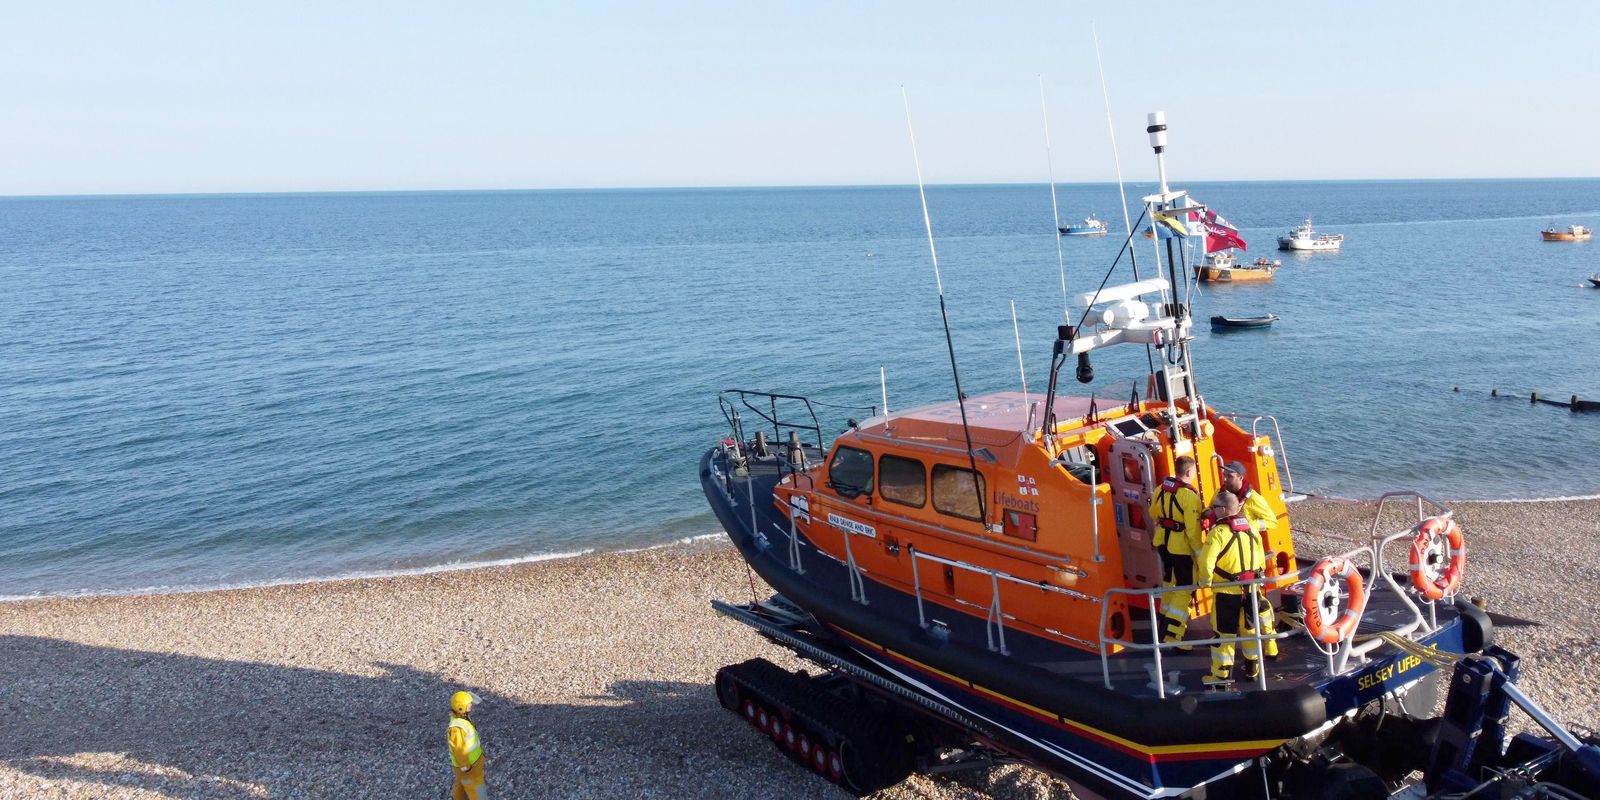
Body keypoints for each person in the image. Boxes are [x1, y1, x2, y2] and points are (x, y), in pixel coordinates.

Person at [1196, 491, 1267, 686]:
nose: (1212, 512)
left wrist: (1205, 582)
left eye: (1215, 508)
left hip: (1227, 592)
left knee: (1224, 635)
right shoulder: (1252, 529)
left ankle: (1220, 676)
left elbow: (1206, 561)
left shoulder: (1218, 532)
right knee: (1251, 630)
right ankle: (1253, 670)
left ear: (1223, 510)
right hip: (1252, 590)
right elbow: (1260, 559)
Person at [1216, 461, 1281, 659]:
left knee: (1259, 608)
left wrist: (1249, 523)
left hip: (1251, 561)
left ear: (1240, 478)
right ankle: (1252, 655)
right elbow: (1213, 510)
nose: (1226, 479)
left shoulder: (1254, 500)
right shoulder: (1223, 495)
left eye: (1230, 476)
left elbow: (1272, 521)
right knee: (1245, 613)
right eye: (1225, 475)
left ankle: (1270, 647)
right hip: (1231, 562)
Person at [1149, 455, 1203, 648]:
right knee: (1185, 587)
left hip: (1163, 543)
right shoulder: (1189, 496)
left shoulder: (1160, 489)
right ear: (1189, 472)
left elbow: (1153, 513)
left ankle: (1164, 624)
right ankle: (1173, 635)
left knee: (1169, 582)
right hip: (1181, 548)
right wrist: (1200, 555)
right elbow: (1193, 530)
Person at [448, 691, 488, 800]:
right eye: (470, 705)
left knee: (461, 782)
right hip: (469, 766)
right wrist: (465, 766)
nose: (472, 707)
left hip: (470, 764)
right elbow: (459, 750)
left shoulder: (461, 720)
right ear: (461, 708)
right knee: (475, 787)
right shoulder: (457, 728)